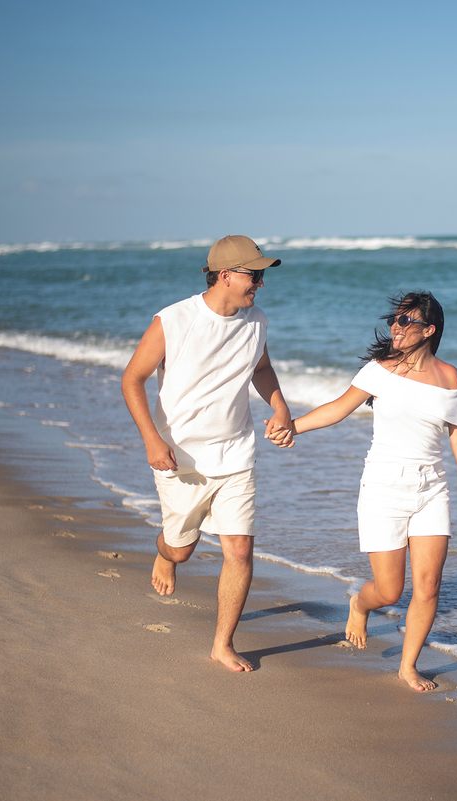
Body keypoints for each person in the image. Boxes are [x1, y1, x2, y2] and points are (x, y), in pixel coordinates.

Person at [284, 291, 457, 691]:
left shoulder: (449, 376)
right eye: (395, 320)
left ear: (429, 330)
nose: (396, 327)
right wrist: (292, 426)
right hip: (383, 487)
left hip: (432, 488)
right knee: (390, 590)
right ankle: (359, 603)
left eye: (406, 322)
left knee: (428, 585)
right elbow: (338, 408)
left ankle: (408, 666)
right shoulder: (380, 371)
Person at [121, 234, 293, 673]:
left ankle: (222, 643)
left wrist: (280, 407)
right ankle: (165, 551)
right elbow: (132, 379)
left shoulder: (256, 321)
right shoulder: (174, 320)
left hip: (236, 453)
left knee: (239, 551)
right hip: (180, 457)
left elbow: (262, 369)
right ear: (225, 275)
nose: (259, 283)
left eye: (261, 275)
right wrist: (151, 440)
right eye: (254, 275)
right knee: (181, 551)